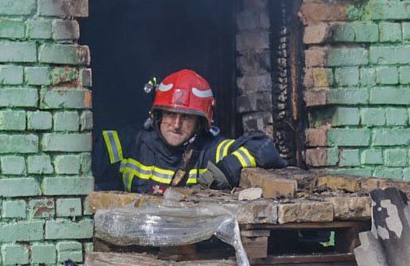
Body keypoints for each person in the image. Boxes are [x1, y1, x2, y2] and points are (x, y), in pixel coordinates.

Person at [93, 68, 285, 193]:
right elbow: (88, 151)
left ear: (200, 123)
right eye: (170, 115)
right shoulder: (132, 142)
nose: (176, 124)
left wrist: (221, 173)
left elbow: (263, 149)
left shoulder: (210, 150)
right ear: (158, 115)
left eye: (186, 117)